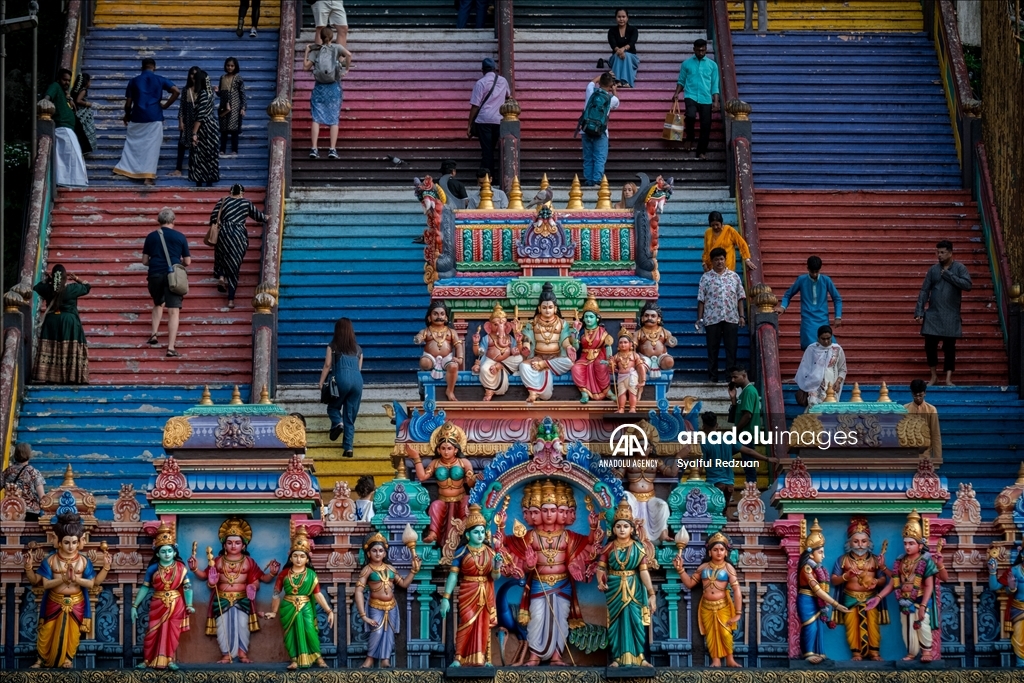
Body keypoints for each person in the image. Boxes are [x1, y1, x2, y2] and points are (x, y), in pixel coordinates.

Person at [23, 508, 111, 669]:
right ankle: (41, 659)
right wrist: (29, 568)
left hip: (76, 603)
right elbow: (41, 583)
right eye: (66, 542)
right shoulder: (51, 560)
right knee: (46, 631)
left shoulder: (83, 562)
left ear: (80, 541)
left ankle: (67, 659)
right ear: (58, 541)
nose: (71, 546)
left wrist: (105, 567)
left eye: (74, 542)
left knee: (73, 634)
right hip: (54, 601)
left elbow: (93, 584)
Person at [188, 518, 280, 664]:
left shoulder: (249, 561)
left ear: (244, 545)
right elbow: (205, 576)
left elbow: (260, 580)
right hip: (222, 599)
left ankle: (242, 654)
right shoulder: (217, 560)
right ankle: (226, 654)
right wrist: (194, 569)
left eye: (237, 543)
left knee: (243, 627)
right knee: (222, 628)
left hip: (242, 599)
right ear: (224, 544)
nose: (233, 546)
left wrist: (271, 575)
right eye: (229, 543)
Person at [867, 510, 948, 663]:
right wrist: (878, 597)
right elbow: (894, 582)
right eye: (905, 543)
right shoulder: (901, 561)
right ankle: (911, 652)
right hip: (904, 601)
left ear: (919, 545)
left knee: (922, 625)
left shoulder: (925, 561)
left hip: (919, 600)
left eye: (911, 543)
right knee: (907, 629)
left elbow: (929, 585)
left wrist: (923, 605)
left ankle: (927, 651)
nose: (907, 547)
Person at [596, 501, 657, 667]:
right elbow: (600, 569)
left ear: (632, 529)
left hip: (634, 588)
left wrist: (651, 593)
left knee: (636, 622)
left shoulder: (638, 548)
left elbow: (643, 571)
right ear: (614, 530)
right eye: (619, 526)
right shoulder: (608, 548)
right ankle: (617, 658)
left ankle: (640, 658)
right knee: (616, 623)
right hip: (615, 589)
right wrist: (600, 581)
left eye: (625, 526)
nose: (622, 529)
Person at [262, 528, 334, 669]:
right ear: (290, 557)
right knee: (291, 634)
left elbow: (317, 594)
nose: (298, 559)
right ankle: (294, 659)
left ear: (307, 558)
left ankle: (318, 658)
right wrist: (274, 612)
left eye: (302, 556)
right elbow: (276, 593)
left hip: (305, 606)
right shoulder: (284, 574)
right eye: (295, 556)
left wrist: (328, 610)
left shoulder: (311, 575)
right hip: (288, 607)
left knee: (310, 631)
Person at [439, 504, 500, 667]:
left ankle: (485, 659)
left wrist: (496, 566)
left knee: (483, 623)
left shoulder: (490, 553)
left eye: (482, 532)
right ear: (468, 534)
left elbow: (495, 576)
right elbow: (453, 575)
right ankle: (458, 658)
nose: (480, 535)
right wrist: (445, 597)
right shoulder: (462, 552)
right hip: (468, 589)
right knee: (466, 621)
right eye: (475, 532)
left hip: (486, 590)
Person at [672, 532, 743, 667]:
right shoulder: (703, 567)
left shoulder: (728, 568)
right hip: (706, 606)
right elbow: (690, 584)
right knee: (711, 634)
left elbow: (737, 590)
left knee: (726, 634)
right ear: (709, 552)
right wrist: (680, 570)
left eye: (722, 550)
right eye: (715, 550)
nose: (718, 553)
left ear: (726, 553)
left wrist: (738, 613)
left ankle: (730, 659)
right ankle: (715, 660)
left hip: (723, 606)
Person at [353, 532, 422, 668]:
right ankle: (370, 659)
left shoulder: (390, 568)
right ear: (368, 554)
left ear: (385, 553)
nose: (378, 554)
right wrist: (363, 615)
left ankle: (385, 659)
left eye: (380, 551)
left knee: (388, 633)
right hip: (375, 606)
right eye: (374, 551)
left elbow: (403, 584)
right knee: (377, 631)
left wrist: (413, 571)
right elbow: (359, 591)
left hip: (391, 606)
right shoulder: (367, 570)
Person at [132, 524, 194, 669]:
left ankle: (170, 660)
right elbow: (145, 587)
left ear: (174, 553)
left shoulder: (180, 568)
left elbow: (187, 587)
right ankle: (147, 660)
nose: (167, 554)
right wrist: (134, 606)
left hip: (175, 604)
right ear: (158, 554)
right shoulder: (153, 568)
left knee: (172, 633)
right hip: (157, 603)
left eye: (169, 551)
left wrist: (189, 604)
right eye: (163, 551)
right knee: (152, 632)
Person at [405, 422, 476, 546]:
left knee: (467, 500)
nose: (446, 452)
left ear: (456, 450)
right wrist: (416, 457)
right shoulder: (436, 463)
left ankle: (466, 531)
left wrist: (475, 478)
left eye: (449, 448)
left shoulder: (463, 462)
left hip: (460, 498)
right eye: (443, 448)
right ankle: (433, 534)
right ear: (438, 449)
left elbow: (470, 484)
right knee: (435, 506)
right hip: (443, 499)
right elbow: (422, 477)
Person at [830, 517, 891, 662]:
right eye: (856, 541)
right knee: (852, 625)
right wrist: (846, 576)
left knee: (872, 625)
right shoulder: (843, 560)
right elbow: (833, 580)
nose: (860, 545)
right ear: (849, 543)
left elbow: (884, 580)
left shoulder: (876, 560)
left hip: (871, 597)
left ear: (869, 543)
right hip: (850, 597)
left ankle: (874, 652)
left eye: (864, 541)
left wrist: (876, 581)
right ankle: (856, 653)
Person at [915, 240, 972, 386]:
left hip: (951, 315)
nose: (939, 255)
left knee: (949, 347)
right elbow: (924, 291)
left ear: (950, 253)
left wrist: (949, 275)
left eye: (942, 252)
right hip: (933, 315)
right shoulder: (933, 270)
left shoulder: (960, 268)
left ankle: (948, 378)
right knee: (930, 346)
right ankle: (934, 376)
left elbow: (967, 285)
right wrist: (919, 311)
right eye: (937, 252)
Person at [114, 59, 180, 185]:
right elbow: (176, 91)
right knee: (152, 148)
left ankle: (125, 169)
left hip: (137, 116)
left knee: (133, 144)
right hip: (154, 116)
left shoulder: (133, 81)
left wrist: (127, 115)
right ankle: (147, 178)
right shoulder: (160, 79)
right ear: (154, 67)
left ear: (142, 67)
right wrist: (165, 106)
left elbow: (128, 104)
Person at [797, 521, 850, 664]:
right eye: (820, 552)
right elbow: (817, 590)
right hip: (807, 599)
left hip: (815, 600)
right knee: (810, 625)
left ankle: (819, 652)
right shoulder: (807, 569)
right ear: (811, 554)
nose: (824, 556)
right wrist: (836, 604)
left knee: (819, 624)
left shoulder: (818, 569)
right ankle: (808, 653)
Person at [142, 209, 191, 357]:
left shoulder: (151, 237)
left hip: (155, 274)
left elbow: (144, 261)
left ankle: (154, 335)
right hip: (173, 275)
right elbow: (187, 261)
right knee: (173, 311)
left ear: (159, 220)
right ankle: (170, 347)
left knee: (158, 303)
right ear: (173, 220)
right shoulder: (180, 237)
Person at [209, 183, 266, 308]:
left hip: (223, 232)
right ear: (242, 193)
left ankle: (222, 276)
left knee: (222, 256)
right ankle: (231, 300)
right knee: (234, 264)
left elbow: (213, 217)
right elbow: (258, 217)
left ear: (230, 192)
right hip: (238, 235)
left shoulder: (223, 201)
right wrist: (267, 217)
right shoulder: (245, 203)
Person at [32, 264, 91, 384]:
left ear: (53, 277)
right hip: (69, 322)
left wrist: (48, 280)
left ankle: (49, 376)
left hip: (51, 322)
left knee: (52, 348)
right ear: (64, 277)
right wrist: (76, 278)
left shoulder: (48, 289)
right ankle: (72, 377)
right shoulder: (71, 289)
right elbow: (87, 286)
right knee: (69, 348)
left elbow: (37, 287)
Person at [698, 411, 767, 514]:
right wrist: (767, 459)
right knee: (723, 512)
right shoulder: (728, 439)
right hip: (729, 484)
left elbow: (699, 469)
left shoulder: (704, 444)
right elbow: (749, 451)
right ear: (717, 425)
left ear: (703, 427)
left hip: (714, 484)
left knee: (713, 513)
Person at [697, 247, 746, 383]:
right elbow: (701, 299)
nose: (719, 262)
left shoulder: (734, 277)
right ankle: (712, 377)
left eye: (721, 259)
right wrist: (699, 319)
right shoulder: (706, 278)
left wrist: (742, 316)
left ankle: (731, 378)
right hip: (712, 318)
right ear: (712, 261)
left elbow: (740, 297)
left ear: (725, 260)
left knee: (731, 349)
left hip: (731, 317)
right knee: (712, 350)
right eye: (716, 259)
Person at [318, 317, 364, 458]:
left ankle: (338, 423)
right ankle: (348, 448)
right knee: (350, 415)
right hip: (358, 382)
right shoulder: (358, 349)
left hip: (341, 379)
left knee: (333, 407)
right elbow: (359, 368)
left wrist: (321, 382)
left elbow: (327, 365)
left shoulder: (332, 346)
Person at [304, 27, 352, 160]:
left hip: (319, 88)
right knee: (334, 118)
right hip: (333, 87)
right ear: (332, 37)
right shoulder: (336, 48)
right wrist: (346, 69)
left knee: (316, 118)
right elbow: (349, 54)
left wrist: (307, 51)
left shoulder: (316, 50)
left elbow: (305, 67)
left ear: (321, 36)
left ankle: (314, 148)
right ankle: (332, 149)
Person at [776, 255, 842, 351]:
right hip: (808, 321)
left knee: (830, 347)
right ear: (807, 268)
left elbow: (837, 298)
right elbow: (788, 295)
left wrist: (838, 317)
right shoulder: (801, 280)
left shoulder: (826, 280)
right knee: (810, 348)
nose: (815, 275)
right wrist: (783, 307)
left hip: (823, 319)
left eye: (817, 272)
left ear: (820, 269)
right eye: (812, 272)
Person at [672, 39, 720, 159]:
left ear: (706, 49)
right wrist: (676, 93)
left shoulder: (712, 65)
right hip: (690, 95)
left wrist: (716, 101)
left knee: (706, 125)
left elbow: (715, 85)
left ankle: (701, 151)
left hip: (706, 98)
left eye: (703, 50)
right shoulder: (686, 64)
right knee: (691, 115)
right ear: (694, 49)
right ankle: (690, 137)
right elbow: (681, 80)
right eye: (698, 50)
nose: (700, 52)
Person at [44, 69, 88, 188]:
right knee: (70, 156)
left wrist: (69, 98)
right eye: (64, 80)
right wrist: (44, 102)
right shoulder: (55, 86)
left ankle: (74, 182)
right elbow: (47, 96)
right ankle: (69, 182)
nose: (67, 83)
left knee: (74, 156)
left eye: (69, 81)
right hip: (62, 128)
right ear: (59, 79)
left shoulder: (65, 93)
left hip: (69, 128)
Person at [468, 58, 510, 180]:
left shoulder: (480, 83)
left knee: (487, 151)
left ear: (482, 70)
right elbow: (509, 96)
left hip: (484, 121)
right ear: (494, 69)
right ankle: (499, 177)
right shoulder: (503, 81)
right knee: (500, 149)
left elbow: (475, 105)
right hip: (499, 120)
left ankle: (488, 178)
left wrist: (469, 124)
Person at [414, 301, 462, 402]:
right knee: (424, 363)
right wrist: (418, 339)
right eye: (435, 314)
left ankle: (450, 390)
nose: (439, 316)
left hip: (447, 358)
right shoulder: (426, 331)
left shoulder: (451, 332)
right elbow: (420, 336)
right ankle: (427, 385)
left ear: (446, 317)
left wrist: (460, 358)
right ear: (429, 317)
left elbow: (458, 345)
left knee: (454, 366)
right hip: (430, 357)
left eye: (442, 314)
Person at [581, 72, 620, 186]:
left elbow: (591, 82)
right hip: (601, 132)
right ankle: (596, 181)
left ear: (600, 82)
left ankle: (588, 181)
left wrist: (604, 75)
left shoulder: (590, 91)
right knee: (599, 158)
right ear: (610, 85)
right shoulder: (611, 99)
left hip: (585, 129)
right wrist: (614, 91)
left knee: (588, 157)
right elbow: (617, 103)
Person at [987, 543, 1024, 666]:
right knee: (1019, 638)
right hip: (1019, 609)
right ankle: (1021, 666)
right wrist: (992, 571)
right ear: (1022, 554)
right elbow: (995, 587)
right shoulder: (1014, 571)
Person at [794, 325, 847, 408]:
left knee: (830, 411)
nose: (826, 341)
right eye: (823, 339)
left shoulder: (837, 349)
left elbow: (843, 369)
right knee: (814, 412)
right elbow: (804, 369)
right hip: (814, 388)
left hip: (831, 386)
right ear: (818, 338)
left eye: (828, 338)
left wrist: (838, 382)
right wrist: (808, 385)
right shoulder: (811, 349)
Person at [730, 365, 762, 484]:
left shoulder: (749, 391)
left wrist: (735, 431)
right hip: (744, 433)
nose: (733, 380)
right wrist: (733, 400)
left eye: (735, 377)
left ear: (744, 376)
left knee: (748, 463)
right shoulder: (744, 392)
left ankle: (752, 490)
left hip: (746, 433)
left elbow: (747, 415)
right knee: (746, 462)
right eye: (731, 378)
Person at [188, 69, 220, 187]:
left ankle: (200, 180)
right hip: (212, 125)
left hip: (204, 127)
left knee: (199, 155)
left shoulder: (202, 94)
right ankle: (209, 180)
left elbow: (200, 115)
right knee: (210, 154)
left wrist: (194, 133)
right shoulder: (210, 93)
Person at [0, 443, 46, 522]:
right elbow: (42, 497)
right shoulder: (33, 472)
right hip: (30, 513)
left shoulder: (7, 471)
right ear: (29, 455)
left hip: (10, 513)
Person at [170, 66, 200, 178]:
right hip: (187, 121)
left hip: (199, 122)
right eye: (192, 74)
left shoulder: (203, 90)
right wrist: (180, 121)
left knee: (197, 145)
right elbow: (182, 107)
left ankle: (196, 169)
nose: (194, 76)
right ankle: (178, 169)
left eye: (196, 74)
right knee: (182, 144)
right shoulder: (185, 89)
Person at [904, 379, 943, 461]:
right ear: (911, 394)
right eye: (915, 395)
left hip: (925, 456)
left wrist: (937, 458)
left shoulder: (931, 410)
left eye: (920, 395)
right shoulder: (905, 409)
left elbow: (935, 434)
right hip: (908, 455)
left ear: (925, 393)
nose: (918, 398)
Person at [217, 57, 247, 156]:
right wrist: (217, 92)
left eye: (232, 66)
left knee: (234, 129)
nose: (230, 67)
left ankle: (235, 150)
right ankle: (222, 149)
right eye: (228, 65)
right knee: (223, 129)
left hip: (235, 106)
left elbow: (242, 94)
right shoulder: (222, 78)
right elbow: (221, 93)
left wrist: (243, 107)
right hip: (223, 106)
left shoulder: (238, 78)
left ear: (235, 67)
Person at [605, 9, 639, 88]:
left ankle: (625, 81)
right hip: (616, 57)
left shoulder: (633, 30)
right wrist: (619, 51)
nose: (621, 19)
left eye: (623, 17)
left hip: (632, 57)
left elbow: (632, 42)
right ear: (616, 18)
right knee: (618, 56)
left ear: (627, 18)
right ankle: (617, 81)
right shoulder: (612, 31)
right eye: (619, 17)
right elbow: (613, 45)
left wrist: (623, 49)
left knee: (626, 56)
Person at [70, 73, 97, 155]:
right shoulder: (83, 90)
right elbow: (78, 100)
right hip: (82, 114)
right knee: (86, 130)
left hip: (76, 113)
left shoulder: (75, 90)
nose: (90, 83)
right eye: (89, 81)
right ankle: (86, 149)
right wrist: (88, 104)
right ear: (86, 82)